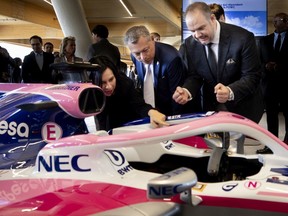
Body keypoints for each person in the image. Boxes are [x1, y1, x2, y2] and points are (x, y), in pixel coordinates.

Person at [173, 2, 264, 124]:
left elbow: (252, 76)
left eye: (201, 28)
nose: (197, 35)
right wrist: (186, 91)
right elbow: (195, 76)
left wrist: (230, 91)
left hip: (243, 108)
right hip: (211, 110)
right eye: (192, 31)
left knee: (240, 143)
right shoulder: (190, 44)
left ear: (212, 18)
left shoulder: (243, 38)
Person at [89, 55, 168, 131]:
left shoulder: (125, 83)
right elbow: (100, 120)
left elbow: (139, 105)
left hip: (131, 124)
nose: (109, 87)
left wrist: (151, 112)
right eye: (103, 83)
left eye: (111, 79)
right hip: (109, 125)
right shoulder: (90, 92)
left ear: (115, 75)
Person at [124, 25, 186, 116]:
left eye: (145, 50)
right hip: (150, 113)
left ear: (152, 40)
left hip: (170, 112)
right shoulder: (134, 57)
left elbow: (178, 97)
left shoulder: (172, 59)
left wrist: (174, 123)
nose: (142, 57)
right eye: (137, 53)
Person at [257, 13, 288, 153]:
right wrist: (265, 66)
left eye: (285, 20)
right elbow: (258, 61)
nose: (285, 22)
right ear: (274, 23)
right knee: (271, 117)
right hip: (269, 85)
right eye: (282, 20)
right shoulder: (265, 41)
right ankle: (271, 146)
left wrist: (279, 67)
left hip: (286, 85)